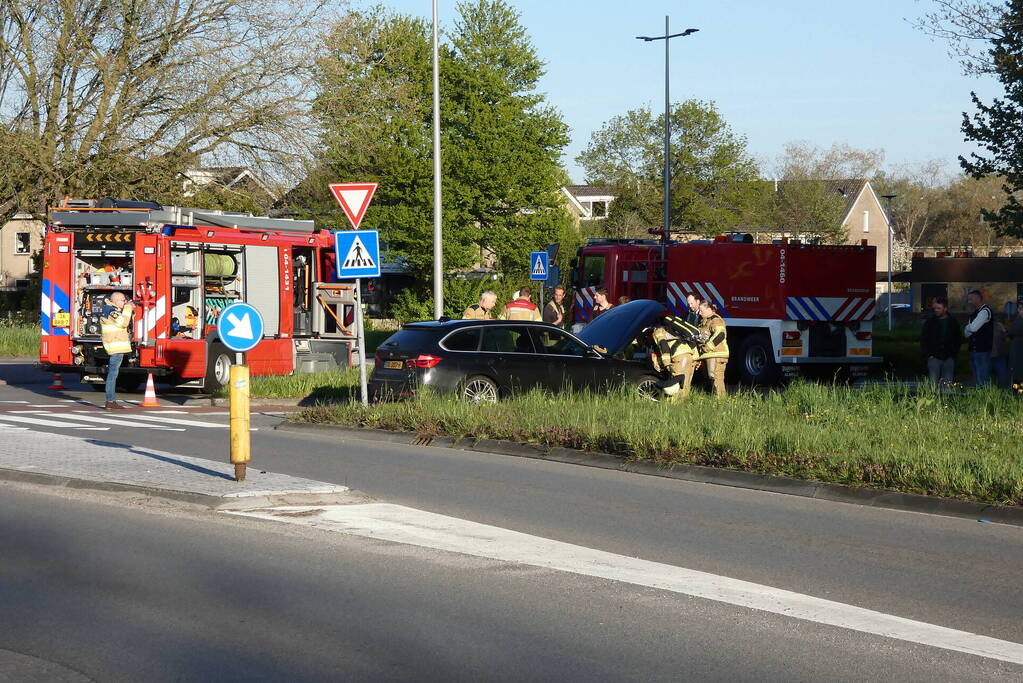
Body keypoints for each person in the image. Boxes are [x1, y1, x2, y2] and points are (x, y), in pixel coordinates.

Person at [649, 321, 699, 401]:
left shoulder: (658, 331)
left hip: (679, 356)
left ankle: (674, 406)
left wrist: (666, 363)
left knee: (676, 384)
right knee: (685, 384)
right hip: (689, 356)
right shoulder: (672, 330)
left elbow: (663, 346)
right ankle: (683, 406)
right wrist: (696, 359)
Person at [100, 291, 134, 409]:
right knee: (112, 374)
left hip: (116, 346)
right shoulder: (111, 311)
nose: (124, 302)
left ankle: (111, 401)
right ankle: (110, 401)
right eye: (122, 300)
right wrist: (128, 308)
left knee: (113, 374)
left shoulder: (112, 310)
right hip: (115, 347)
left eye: (125, 300)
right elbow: (124, 322)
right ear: (114, 301)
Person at [919, 297, 961, 385]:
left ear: (945, 309)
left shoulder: (953, 322)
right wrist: (928, 355)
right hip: (934, 357)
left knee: (948, 384)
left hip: (949, 357)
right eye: (935, 308)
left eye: (939, 308)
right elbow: (924, 339)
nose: (936, 310)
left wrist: (953, 354)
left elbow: (958, 339)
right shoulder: (930, 323)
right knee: (933, 384)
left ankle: (946, 398)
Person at [697, 300, 729, 397]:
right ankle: (713, 400)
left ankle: (721, 401)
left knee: (716, 379)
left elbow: (720, 335)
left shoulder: (716, 320)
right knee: (710, 379)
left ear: (709, 309)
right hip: (708, 355)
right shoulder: (704, 321)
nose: (699, 313)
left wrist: (707, 347)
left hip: (717, 354)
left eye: (701, 310)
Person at [963, 290, 994, 386]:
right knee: (976, 378)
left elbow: (972, 328)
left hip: (982, 350)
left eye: (970, 299)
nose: (969, 301)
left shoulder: (985, 311)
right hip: (974, 350)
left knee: (982, 379)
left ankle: (985, 398)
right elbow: (966, 334)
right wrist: (969, 328)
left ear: (978, 298)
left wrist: (968, 327)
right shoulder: (975, 313)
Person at [991, 314, 1010, 387]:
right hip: (989, 356)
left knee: (1003, 378)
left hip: (999, 356)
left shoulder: (999, 326)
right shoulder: (985, 326)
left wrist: (1004, 330)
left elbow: (1007, 337)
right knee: (990, 379)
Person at [1008, 297, 1023, 386]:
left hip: (1019, 347)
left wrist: (1007, 331)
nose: (1019, 310)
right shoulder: (1018, 319)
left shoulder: (1020, 320)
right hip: (1017, 347)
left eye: (1021, 309)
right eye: (1019, 308)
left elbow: (1013, 331)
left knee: (1019, 369)